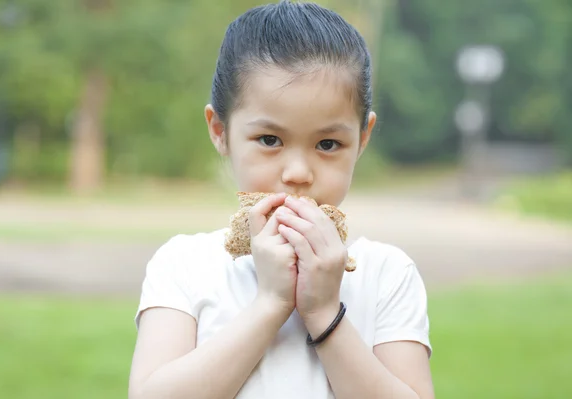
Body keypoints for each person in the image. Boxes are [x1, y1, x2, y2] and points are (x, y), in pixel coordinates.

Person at [129, 1, 434, 398]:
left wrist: (324, 312)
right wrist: (271, 303)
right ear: (220, 130)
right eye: (270, 140)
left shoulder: (387, 274)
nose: (298, 173)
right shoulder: (183, 265)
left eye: (328, 143)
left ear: (362, 138)